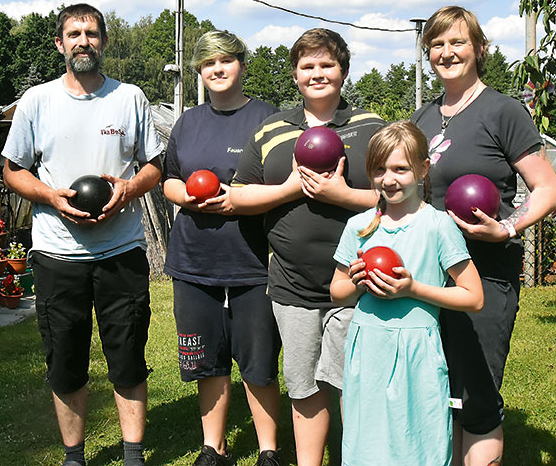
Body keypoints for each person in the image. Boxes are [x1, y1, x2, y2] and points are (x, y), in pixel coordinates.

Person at [1, 3, 163, 466]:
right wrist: (51, 196)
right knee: (65, 363)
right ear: (60, 44)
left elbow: (155, 165)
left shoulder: (129, 97)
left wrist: (129, 186)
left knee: (128, 358)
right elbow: (14, 171)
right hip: (57, 254)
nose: (83, 41)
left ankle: (133, 456)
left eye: (91, 33)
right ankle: (75, 457)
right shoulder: (37, 100)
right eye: (74, 34)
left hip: (120, 251)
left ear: (104, 41)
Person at [411, 5, 556, 466]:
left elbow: (549, 189)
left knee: (476, 396)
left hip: (485, 273)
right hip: (431, 276)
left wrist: (508, 227)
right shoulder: (424, 116)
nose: (446, 52)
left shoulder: (503, 110)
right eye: (436, 44)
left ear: (479, 49)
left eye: (457, 42)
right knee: (441, 392)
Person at [229, 28, 384, 466]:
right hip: (293, 284)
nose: (317, 74)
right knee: (303, 384)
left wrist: (344, 196)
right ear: (295, 75)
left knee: (355, 384)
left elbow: (403, 197)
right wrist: (291, 188)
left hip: (360, 279)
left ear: (344, 71)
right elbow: (239, 196)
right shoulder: (272, 129)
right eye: (307, 66)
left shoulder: (371, 127)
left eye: (327, 64)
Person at [330, 121, 484, 466]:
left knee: (419, 442)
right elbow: (336, 292)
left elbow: (474, 297)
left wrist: (413, 288)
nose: (389, 178)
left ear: (423, 170)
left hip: (418, 351)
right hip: (367, 347)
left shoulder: (438, 226)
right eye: (380, 169)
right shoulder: (358, 227)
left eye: (401, 169)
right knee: (367, 442)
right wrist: (355, 282)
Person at [162, 30, 281, 466]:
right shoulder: (188, 122)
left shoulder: (269, 119)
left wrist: (240, 199)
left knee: (259, 358)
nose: (217, 69)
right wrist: (187, 198)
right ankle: (213, 448)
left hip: (254, 260)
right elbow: (170, 177)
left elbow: (286, 187)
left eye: (226, 61)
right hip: (195, 259)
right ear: (200, 72)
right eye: (208, 64)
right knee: (206, 358)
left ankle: (268, 449)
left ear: (242, 66)